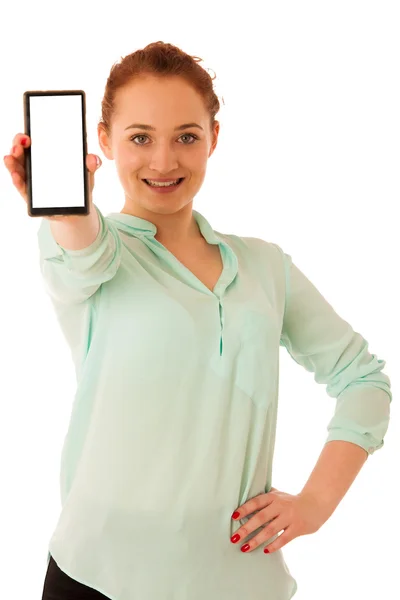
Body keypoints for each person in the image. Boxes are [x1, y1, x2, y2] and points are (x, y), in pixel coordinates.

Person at [4, 42, 392, 600]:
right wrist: (67, 207)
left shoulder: (264, 267)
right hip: (98, 578)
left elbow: (362, 378)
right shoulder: (92, 251)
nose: (164, 162)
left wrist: (316, 503)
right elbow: (82, 248)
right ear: (105, 142)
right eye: (140, 138)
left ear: (213, 137)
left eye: (186, 136)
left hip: (239, 582)